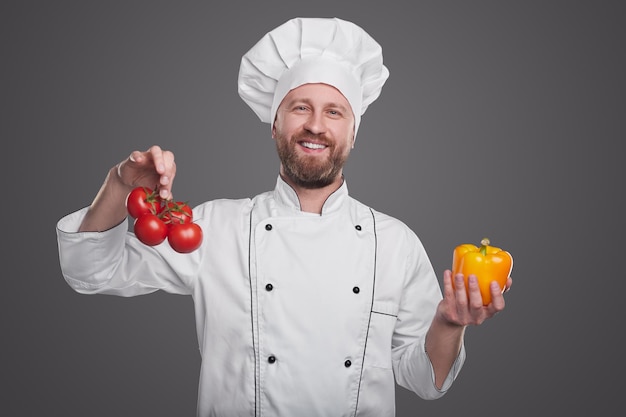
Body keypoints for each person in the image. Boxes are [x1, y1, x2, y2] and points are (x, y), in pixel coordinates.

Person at [56, 17, 511, 417]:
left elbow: (423, 379)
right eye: (300, 107)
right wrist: (120, 185)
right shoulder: (215, 228)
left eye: (334, 112)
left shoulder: (395, 242)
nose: (316, 125)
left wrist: (449, 323)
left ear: (352, 133)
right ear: (275, 124)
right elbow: (91, 270)